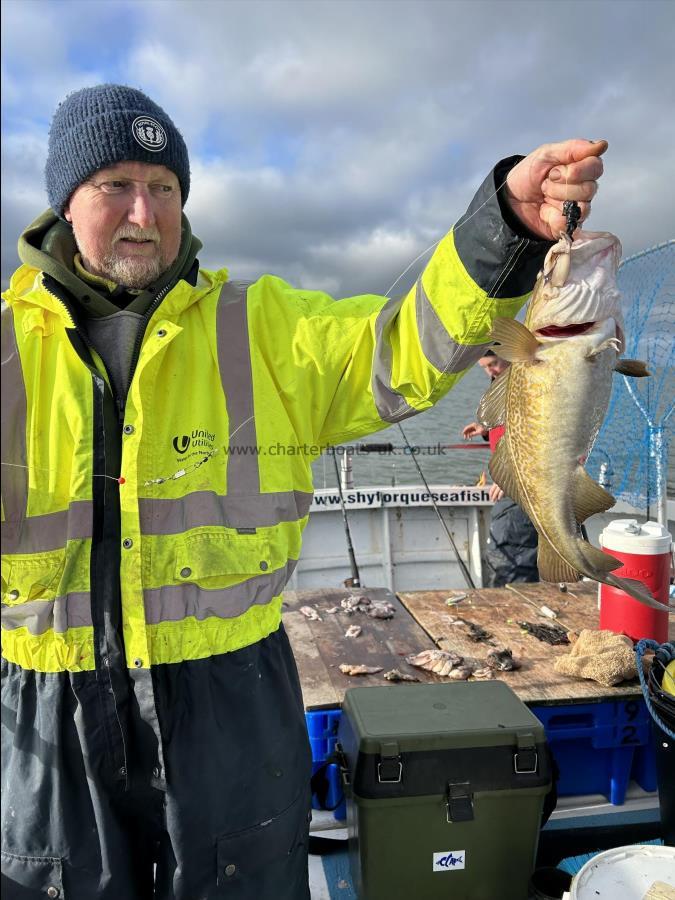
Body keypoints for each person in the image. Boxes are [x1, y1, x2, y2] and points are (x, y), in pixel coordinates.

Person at [0, 83, 606, 899]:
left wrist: (501, 228)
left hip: (231, 697)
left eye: (165, 187)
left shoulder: (265, 326)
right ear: (64, 201)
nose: (144, 211)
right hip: (44, 703)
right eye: (115, 184)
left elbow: (401, 346)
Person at [463, 350, 540, 586]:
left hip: (523, 486)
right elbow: (511, 425)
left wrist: (509, 474)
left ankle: (518, 615)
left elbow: (537, 438)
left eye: (494, 364)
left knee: (509, 558)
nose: (491, 372)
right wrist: (486, 429)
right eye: (485, 367)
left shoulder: (527, 385)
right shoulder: (506, 382)